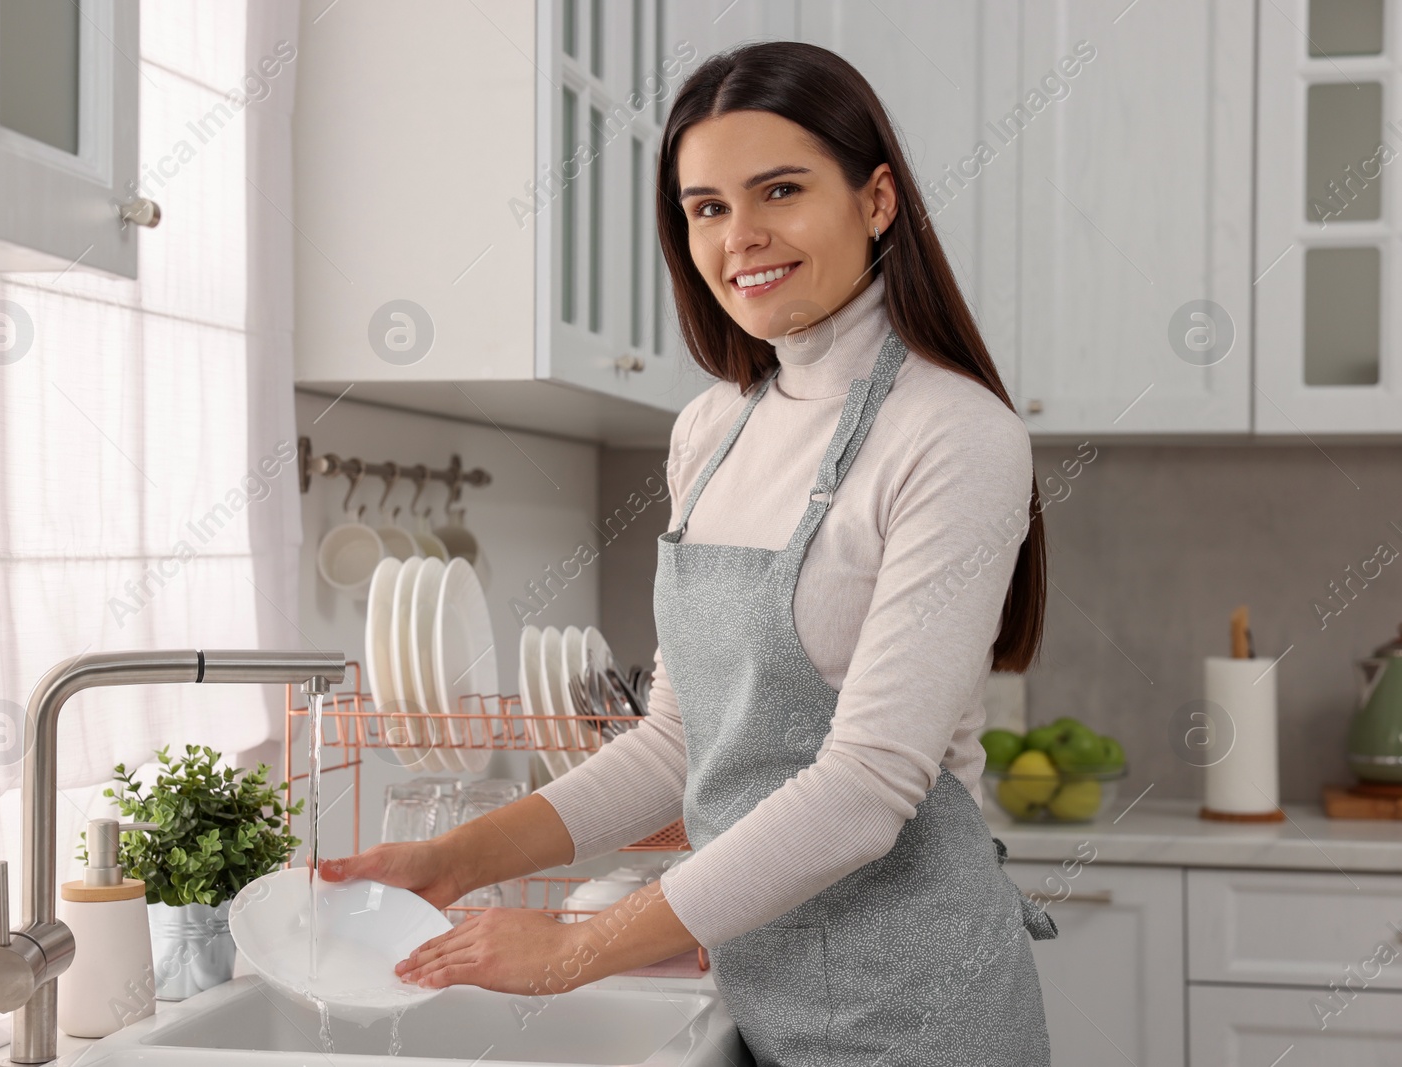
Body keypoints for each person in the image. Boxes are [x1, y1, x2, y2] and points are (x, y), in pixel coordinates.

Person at [320, 40, 1058, 1065]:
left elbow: (863, 790)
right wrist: (452, 859)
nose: (740, 236)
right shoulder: (712, 432)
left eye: (781, 191)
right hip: (757, 999)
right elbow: (675, 743)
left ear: (876, 199)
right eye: (704, 207)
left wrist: (577, 946)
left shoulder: (953, 435)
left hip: (917, 1015)